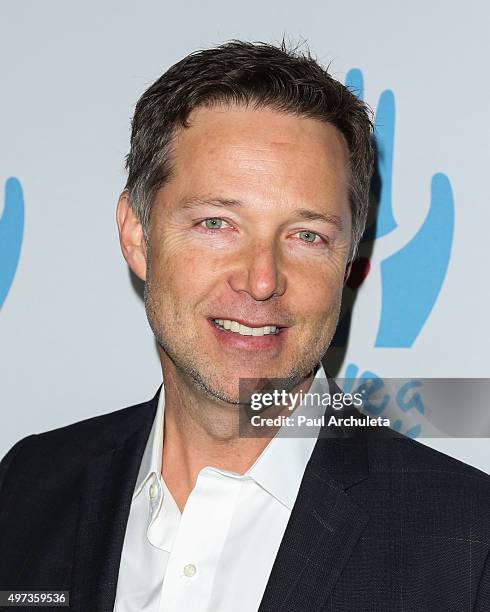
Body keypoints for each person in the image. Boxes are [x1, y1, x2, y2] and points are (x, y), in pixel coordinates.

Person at [0, 40, 489, 612]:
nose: (261, 280)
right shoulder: (29, 485)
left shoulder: (468, 546)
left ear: (349, 261)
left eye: (307, 235)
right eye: (217, 222)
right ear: (137, 235)